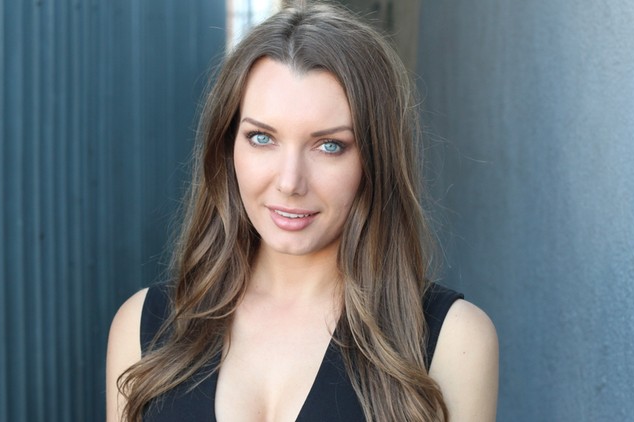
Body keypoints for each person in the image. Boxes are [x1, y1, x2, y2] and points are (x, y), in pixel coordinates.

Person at [106, 2, 498, 421]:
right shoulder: (145, 328)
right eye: (262, 138)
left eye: (329, 145)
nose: (290, 182)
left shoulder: (453, 341)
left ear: (375, 159)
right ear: (227, 147)